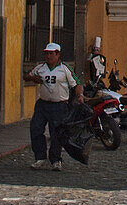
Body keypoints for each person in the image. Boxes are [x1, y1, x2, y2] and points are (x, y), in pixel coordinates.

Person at [24, 43, 85, 171]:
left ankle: (56, 160)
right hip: (43, 104)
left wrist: (80, 95)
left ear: (58, 54)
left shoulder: (64, 69)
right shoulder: (41, 67)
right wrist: (34, 78)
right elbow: (27, 76)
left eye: (51, 53)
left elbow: (76, 84)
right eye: (47, 53)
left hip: (59, 105)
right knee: (36, 129)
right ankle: (40, 157)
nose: (48, 56)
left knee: (56, 133)